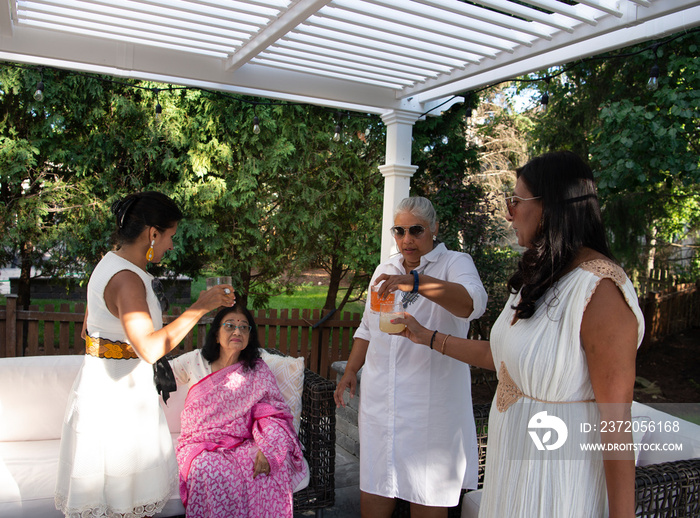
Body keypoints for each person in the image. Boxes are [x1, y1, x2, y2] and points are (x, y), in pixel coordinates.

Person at [392, 151, 645, 518]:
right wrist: (426, 336)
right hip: (511, 472)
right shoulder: (540, 274)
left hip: (557, 482)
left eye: (516, 201)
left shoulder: (600, 290)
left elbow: (617, 423)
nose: (508, 212)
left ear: (553, 206)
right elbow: (506, 358)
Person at [55, 191, 235, 518]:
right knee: (121, 506)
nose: (171, 246)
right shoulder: (126, 280)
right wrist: (200, 307)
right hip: (117, 408)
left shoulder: (110, 264)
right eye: (170, 237)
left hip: (109, 394)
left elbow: (90, 331)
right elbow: (150, 349)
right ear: (153, 233)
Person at [334, 196, 488, 518]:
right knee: (376, 488)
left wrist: (416, 281)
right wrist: (350, 370)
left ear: (433, 229)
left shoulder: (455, 263)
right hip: (382, 405)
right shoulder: (385, 268)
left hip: (430, 411)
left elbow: (473, 304)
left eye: (416, 230)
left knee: (426, 495)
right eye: (399, 231)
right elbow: (367, 326)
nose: (407, 239)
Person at [172, 305, 307, 518]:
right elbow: (161, 372)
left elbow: (272, 412)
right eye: (230, 326)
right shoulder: (195, 361)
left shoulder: (257, 370)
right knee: (207, 469)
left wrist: (268, 448)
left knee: (268, 468)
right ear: (216, 335)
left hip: (244, 441)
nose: (238, 332)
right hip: (201, 443)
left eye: (244, 327)